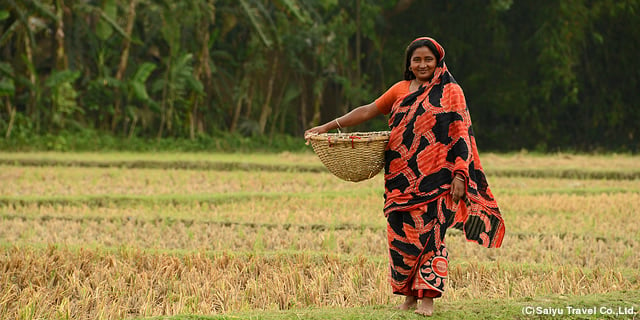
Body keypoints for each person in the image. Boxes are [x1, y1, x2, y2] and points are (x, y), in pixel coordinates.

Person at [304, 37, 505, 316]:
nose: (422, 64)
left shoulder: (451, 92)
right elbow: (367, 111)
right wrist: (327, 126)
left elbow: (461, 134)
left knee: (432, 236)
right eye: (416, 60)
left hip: (438, 178)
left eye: (428, 59)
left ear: (438, 62)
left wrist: (461, 174)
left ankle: (427, 299)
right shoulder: (400, 89)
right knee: (400, 238)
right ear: (409, 64)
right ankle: (408, 296)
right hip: (399, 179)